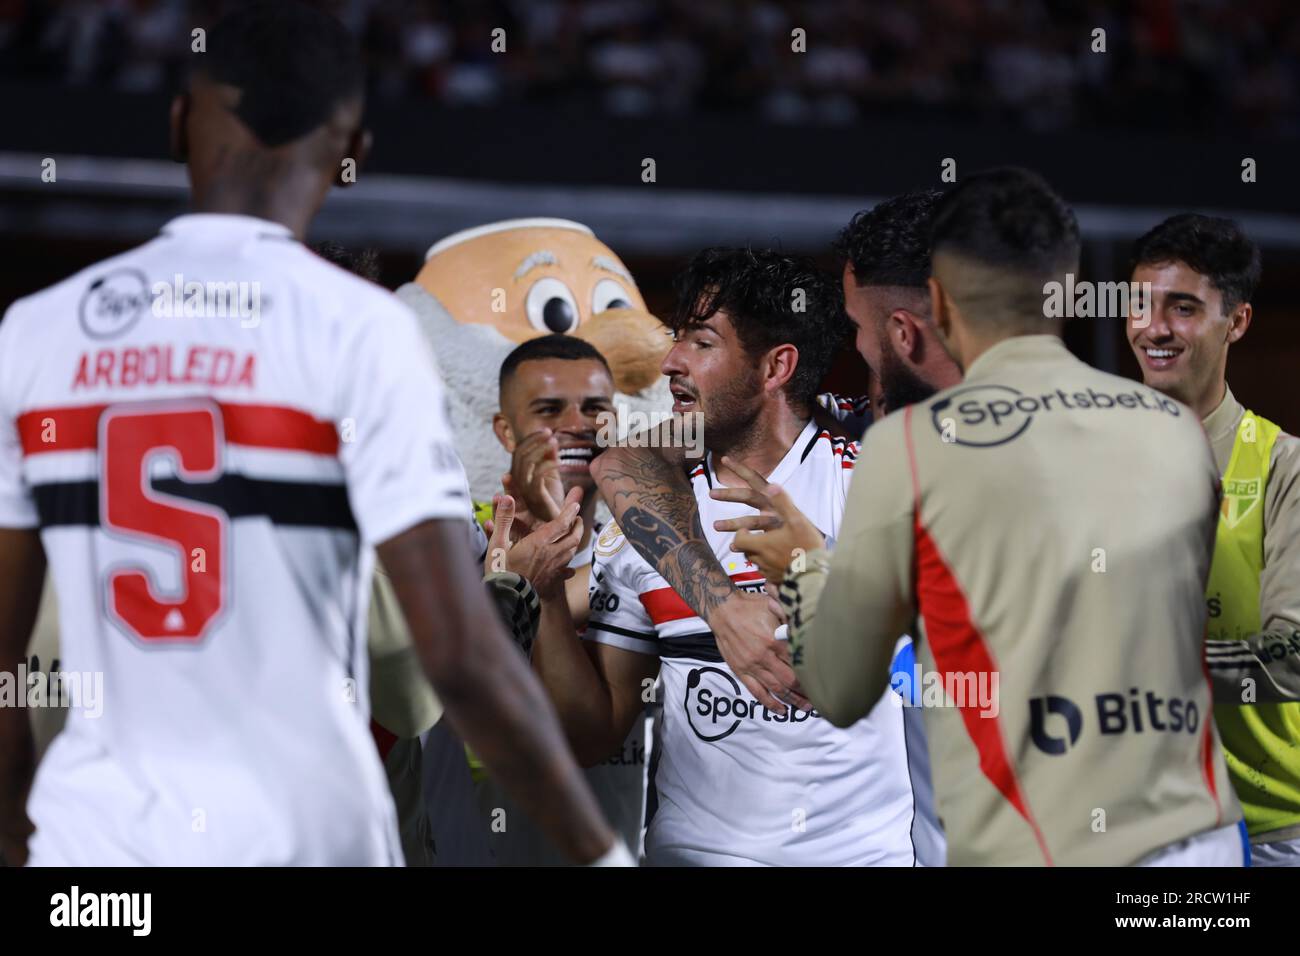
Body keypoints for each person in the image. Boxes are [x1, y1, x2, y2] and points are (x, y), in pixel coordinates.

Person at [0, 1, 622, 867]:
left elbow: (11, 653)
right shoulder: (364, 336)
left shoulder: (37, 332)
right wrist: (600, 853)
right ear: (354, 153)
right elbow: (432, 675)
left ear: (178, 123)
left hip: (96, 853)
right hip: (302, 838)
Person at [758, 168, 1244, 865]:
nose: (857, 350)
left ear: (908, 328)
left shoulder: (911, 451)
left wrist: (803, 566)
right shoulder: (1172, 429)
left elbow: (839, 688)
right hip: (1201, 853)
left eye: (860, 331)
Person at [535, 247, 938, 865]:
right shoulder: (648, 516)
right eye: (678, 340)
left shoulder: (867, 482)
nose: (671, 362)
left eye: (701, 343)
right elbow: (593, 735)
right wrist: (544, 601)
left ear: (776, 366)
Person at [1128, 214, 1300, 866]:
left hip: (1271, 828)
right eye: (1140, 305)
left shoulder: (1284, 468)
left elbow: (1292, 657)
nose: (1154, 328)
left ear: (1238, 321)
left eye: (1183, 308)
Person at [472, 335, 648, 864]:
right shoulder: (467, 540)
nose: (579, 422)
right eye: (549, 409)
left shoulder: (652, 548)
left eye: (595, 407)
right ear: (505, 429)